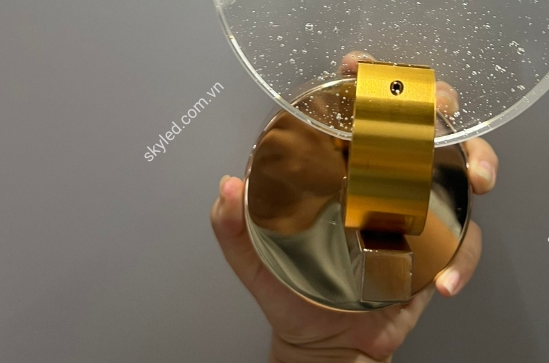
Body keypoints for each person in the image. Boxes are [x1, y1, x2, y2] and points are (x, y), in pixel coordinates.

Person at [211, 52, 499, 363]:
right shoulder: (290, 249)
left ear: (349, 153)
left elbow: (415, 261)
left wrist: (330, 352)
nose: (320, 115)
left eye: (334, 115)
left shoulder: (385, 220)